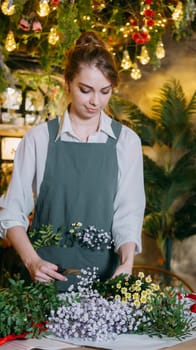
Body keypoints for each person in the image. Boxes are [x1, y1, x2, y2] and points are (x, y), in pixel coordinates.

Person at [0, 31, 145, 291]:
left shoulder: (126, 143)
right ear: (67, 83)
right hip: (44, 281)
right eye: (85, 90)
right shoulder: (38, 140)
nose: (95, 101)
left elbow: (128, 214)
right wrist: (32, 262)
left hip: (106, 284)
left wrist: (127, 264)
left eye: (105, 91)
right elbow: (11, 213)